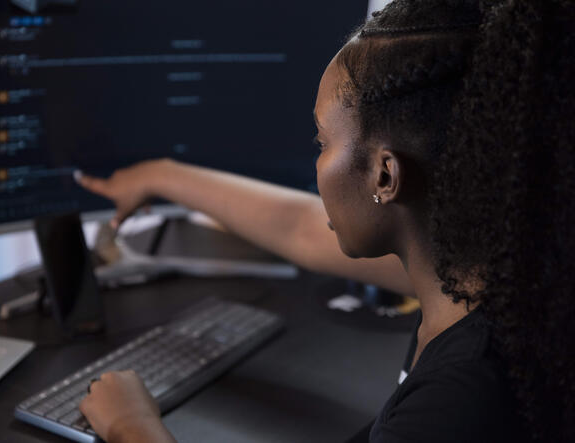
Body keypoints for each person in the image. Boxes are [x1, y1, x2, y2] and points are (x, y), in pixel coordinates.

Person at [75, 0, 575, 441]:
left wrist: (132, 429)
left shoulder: (454, 404)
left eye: (323, 142)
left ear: (385, 175)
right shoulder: (483, 274)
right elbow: (298, 228)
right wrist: (163, 175)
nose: (316, 161)